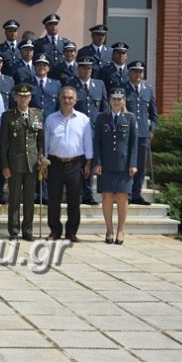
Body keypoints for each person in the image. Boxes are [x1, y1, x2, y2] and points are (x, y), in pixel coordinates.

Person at [43, 86, 94, 242]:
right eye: (64, 97)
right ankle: (55, 231)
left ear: (75, 100)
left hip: (75, 163)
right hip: (54, 163)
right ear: (60, 99)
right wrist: (43, 164)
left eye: (70, 98)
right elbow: (45, 143)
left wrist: (88, 163)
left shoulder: (83, 119)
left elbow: (88, 143)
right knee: (53, 200)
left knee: (74, 200)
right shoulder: (51, 119)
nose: (67, 100)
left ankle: (71, 232)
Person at [0, 84, 44, 241]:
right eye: (20, 96)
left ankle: (27, 230)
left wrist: (41, 158)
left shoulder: (37, 115)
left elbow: (40, 141)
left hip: (32, 164)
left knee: (29, 199)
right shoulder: (8, 116)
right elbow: (3, 143)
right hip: (15, 163)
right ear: (16, 97)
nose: (23, 99)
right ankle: (14, 230)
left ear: (30, 98)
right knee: (14, 199)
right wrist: (4, 165)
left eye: (26, 96)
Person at [94, 88, 138, 245]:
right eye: (114, 99)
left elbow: (134, 143)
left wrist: (133, 164)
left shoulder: (130, 118)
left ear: (124, 101)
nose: (117, 102)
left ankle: (120, 230)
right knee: (106, 196)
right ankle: (109, 230)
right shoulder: (101, 118)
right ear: (110, 101)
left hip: (123, 165)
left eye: (120, 99)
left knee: (122, 197)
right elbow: (97, 142)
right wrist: (97, 162)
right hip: (105, 164)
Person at [69, 57, 108, 205]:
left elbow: (104, 107)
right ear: (79, 68)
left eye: (89, 68)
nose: (86, 70)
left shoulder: (99, 85)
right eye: (84, 67)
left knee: (90, 162)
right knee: (77, 162)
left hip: (93, 130)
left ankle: (87, 192)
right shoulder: (72, 85)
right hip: (76, 129)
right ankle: (77, 193)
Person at [124, 60, 158, 205]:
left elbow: (153, 112)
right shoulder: (123, 88)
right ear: (129, 73)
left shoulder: (148, 89)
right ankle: (126, 193)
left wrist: (153, 128)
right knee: (125, 164)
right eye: (135, 71)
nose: (138, 74)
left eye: (140, 72)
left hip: (143, 134)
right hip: (126, 134)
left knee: (140, 165)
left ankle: (136, 194)